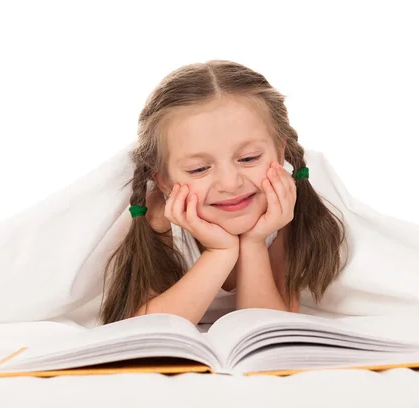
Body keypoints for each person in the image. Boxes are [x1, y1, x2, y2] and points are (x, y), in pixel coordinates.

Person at [100, 60, 347, 327]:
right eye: (199, 169)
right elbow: (141, 329)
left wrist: (253, 244)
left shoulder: (283, 209)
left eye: (249, 158)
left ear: (280, 153)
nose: (230, 183)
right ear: (164, 182)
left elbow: (272, 328)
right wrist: (220, 252)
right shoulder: (159, 218)